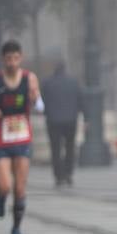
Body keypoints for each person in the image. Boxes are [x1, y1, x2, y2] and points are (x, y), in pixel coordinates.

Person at [0, 41, 41, 234]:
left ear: (21, 58)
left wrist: (36, 101)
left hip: (22, 137)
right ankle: (0, 196)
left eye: (15, 58)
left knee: (19, 188)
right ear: (3, 59)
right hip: (0, 138)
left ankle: (16, 229)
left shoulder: (30, 78)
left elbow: (39, 103)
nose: (12, 63)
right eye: (8, 59)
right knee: (5, 185)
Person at [40, 60, 81, 188]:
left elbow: (42, 102)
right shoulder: (73, 82)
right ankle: (68, 173)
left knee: (55, 149)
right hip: (71, 120)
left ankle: (59, 176)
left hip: (53, 121)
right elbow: (80, 100)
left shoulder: (47, 83)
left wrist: (47, 113)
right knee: (70, 148)